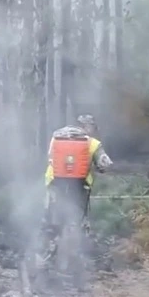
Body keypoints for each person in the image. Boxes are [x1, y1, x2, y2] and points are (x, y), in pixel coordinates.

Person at [41, 114, 113, 269]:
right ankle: (76, 261)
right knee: (76, 222)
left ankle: (46, 259)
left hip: (55, 185)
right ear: (87, 127)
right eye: (92, 126)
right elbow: (105, 164)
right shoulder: (93, 143)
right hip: (79, 188)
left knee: (53, 221)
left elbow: (50, 158)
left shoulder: (56, 138)